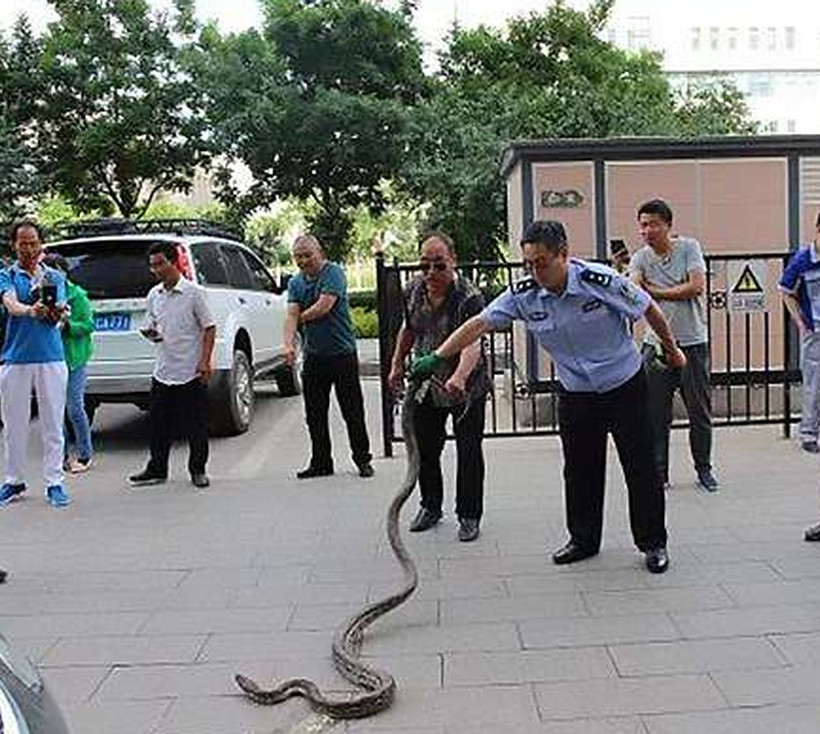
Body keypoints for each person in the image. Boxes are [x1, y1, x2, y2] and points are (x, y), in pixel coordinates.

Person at [411, 220, 684, 573]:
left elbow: (648, 308)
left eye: (541, 263)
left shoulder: (598, 280)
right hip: (576, 391)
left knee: (640, 465)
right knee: (580, 469)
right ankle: (583, 540)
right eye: (528, 264)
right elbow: (479, 323)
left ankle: (653, 543)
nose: (534, 272)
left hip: (623, 385)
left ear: (563, 255)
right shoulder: (524, 294)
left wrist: (672, 350)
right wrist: (438, 357)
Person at [388, 232, 491, 542]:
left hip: (466, 386)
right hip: (427, 384)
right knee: (425, 447)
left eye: (439, 265)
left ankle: (469, 514)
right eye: (425, 266)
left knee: (468, 449)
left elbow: (473, 342)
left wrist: (459, 377)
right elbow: (408, 329)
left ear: (453, 261)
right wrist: (396, 364)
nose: (431, 273)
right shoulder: (413, 290)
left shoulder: (468, 296)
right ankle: (430, 506)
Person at [629, 198, 719, 493]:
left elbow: (696, 286)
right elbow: (635, 291)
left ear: (668, 225)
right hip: (655, 346)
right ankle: (659, 473)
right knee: (655, 413)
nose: (647, 231)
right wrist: (653, 290)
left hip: (691, 341)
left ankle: (704, 468)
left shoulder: (689, 248)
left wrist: (656, 291)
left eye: (654, 224)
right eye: (643, 225)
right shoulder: (640, 258)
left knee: (699, 410)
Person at [284, 234, 374, 479]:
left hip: (342, 354)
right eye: (298, 257)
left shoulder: (333, 273)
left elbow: (324, 306)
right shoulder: (295, 283)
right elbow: (290, 314)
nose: (303, 261)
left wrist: (300, 318)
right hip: (314, 356)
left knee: (352, 411)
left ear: (320, 253)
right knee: (314, 414)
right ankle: (321, 462)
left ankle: (362, 459)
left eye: (308, 255)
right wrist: (288, 345)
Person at [128, 242, 215, 489]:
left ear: (174, 262)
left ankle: (198, 470)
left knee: (195, 424)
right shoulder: (154, 294)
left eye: (160, 263)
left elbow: (209, 328)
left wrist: (205, 361)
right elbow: (151, 323)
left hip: (190, 369)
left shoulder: (194, 293)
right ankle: (157, 468)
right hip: (163, 369)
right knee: (158, 423)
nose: (156, 269)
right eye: (152, 265)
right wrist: (150, 332)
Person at [0, 220, 71, 508]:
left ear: (41, 244)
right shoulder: (6, 275)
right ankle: (14, 480)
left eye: (33, 243)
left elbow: (60, 310)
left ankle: (55, 482)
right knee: (14, 424)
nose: (28, 249)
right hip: (15, 358)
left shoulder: (54, 277)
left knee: (53, 422)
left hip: (51, 357)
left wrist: (57, 312)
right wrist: (31, 310)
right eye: (23, 243)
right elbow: (10, 304)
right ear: (14, 245)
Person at [42, 253, 95, 473]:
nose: (49, 276)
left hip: (74, 359)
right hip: (51, 359)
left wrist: (68, 326)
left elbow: (88, 325)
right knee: (55, 411)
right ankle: (61, 457)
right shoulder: (43, 295)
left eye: (53, 271)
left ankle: (85, 454)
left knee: (74, 408)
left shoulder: (77, 295)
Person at [780, 211, 820, 458]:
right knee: (814, 384)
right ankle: (809, 433)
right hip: (815, 331)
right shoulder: (803, 260)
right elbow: (786, 290)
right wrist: (799, 321)